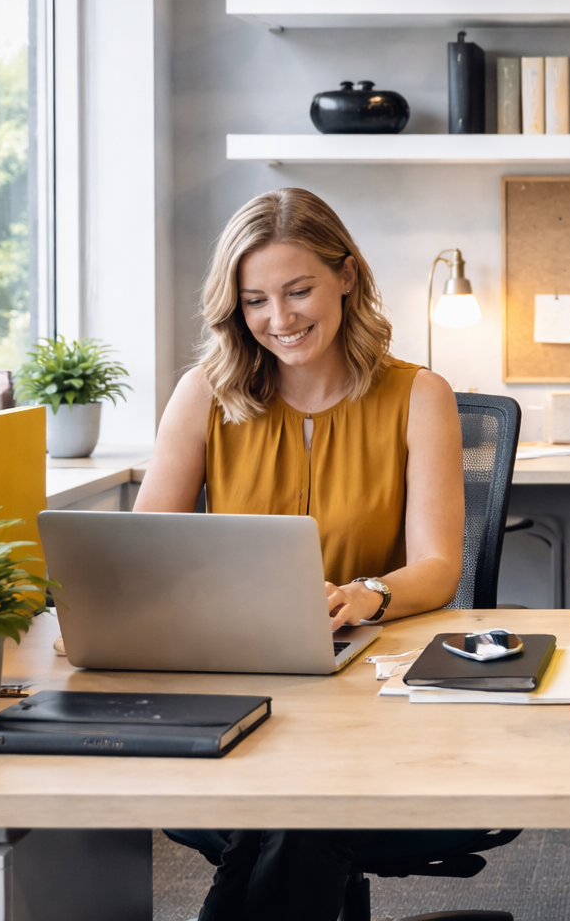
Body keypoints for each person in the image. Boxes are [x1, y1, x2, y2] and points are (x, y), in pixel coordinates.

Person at [136, 187, 515, 921]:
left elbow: (438, 565)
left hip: (371, 699)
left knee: (290, 814)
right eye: (254, 300)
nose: (279, 319)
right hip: (238, 694)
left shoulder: (419, 395)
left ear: (347, 275)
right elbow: (145, 555)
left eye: (298, 289)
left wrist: (366, 593)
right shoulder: (203, 397)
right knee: (292, 815)